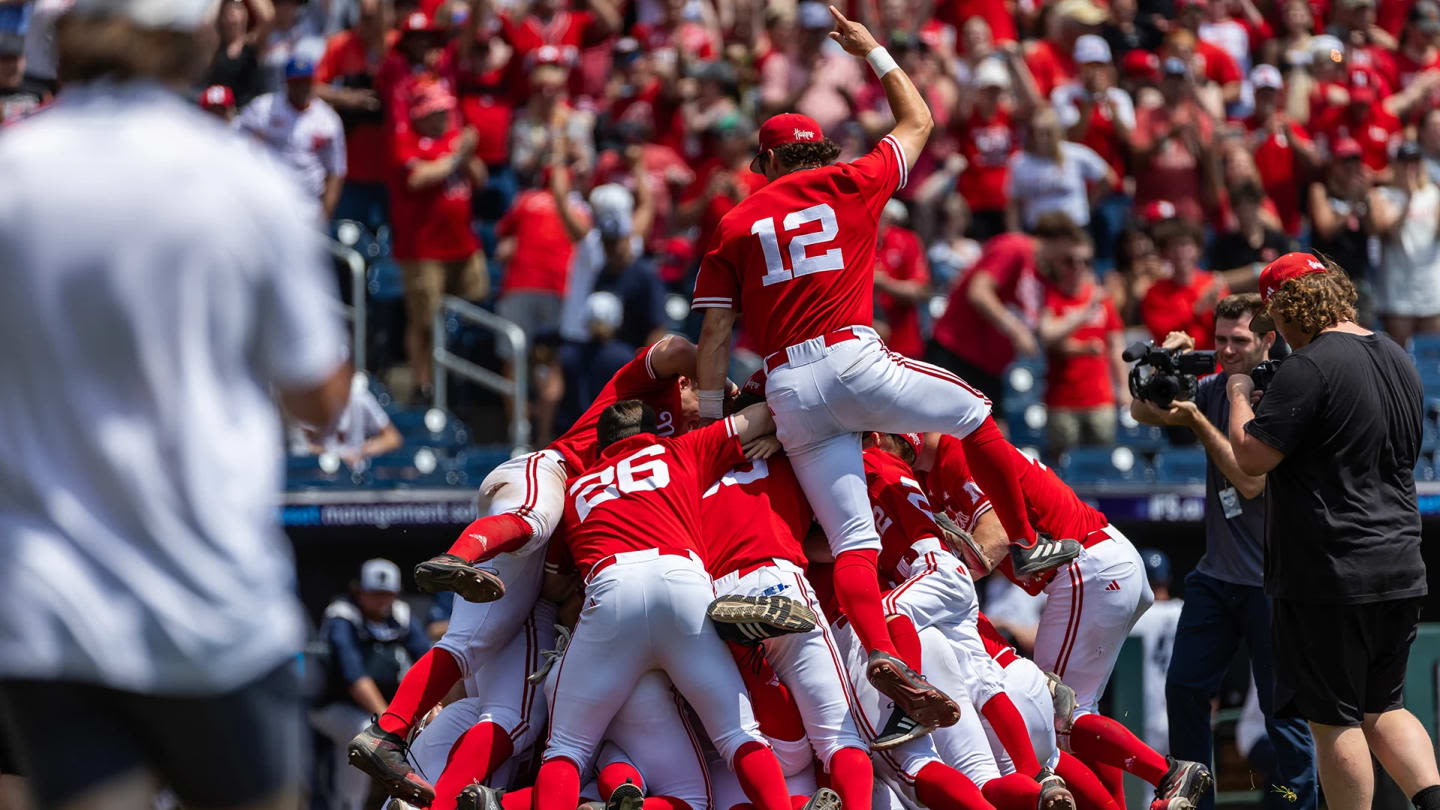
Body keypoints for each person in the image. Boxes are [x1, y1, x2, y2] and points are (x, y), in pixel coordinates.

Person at [692, 6, 1080, 735]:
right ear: (820, 151)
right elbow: (922, 121)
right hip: (850, 356)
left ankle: (880, 650)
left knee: (853, 544)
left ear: (770, 164)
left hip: (787, 389)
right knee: (977, 411)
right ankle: (1025, 542)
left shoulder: (737, 220)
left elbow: (716, 331)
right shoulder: (854, 179)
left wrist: (713, 416)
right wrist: (873, 50)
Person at [0, 3, 351, 809]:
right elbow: (322, 397)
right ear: (194, 38)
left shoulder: (11, 172)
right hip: (208, 601)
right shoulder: (239, 180)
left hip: (45, 610)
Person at [518, 399, 821, 810]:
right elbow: (768, 412)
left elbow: (554, 586)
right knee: (739, 735)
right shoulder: (680, 448)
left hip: (611, 588)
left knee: (567, 749)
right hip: (682, 584)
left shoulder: (576, 489)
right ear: (654, 431)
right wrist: (771, 437)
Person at [1228, 254, 1439, 810]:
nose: (1275, 332)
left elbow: (1250, 458)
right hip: (1399, 560)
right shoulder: (1397, 355)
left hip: (1331, 571)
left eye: (1273, 317)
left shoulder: (1312, 363)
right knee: (1384, 708)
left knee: (1334, 720)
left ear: (1290, 305)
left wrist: (1238, 395)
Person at [1131, 294, 1317, 810]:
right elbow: (1139, 409)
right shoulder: (1213, 387)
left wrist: (1198, 417)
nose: (1229, 351)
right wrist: (1162, 361)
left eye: (1240, 341)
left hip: (1274, 583)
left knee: (1284, 715)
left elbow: (1250, 479)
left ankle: (1291, 804)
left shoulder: (1282, 393)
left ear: (1266, 340)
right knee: (1185, 690)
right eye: (1220, 342)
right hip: (1218, 577)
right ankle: (1194, 800)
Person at [387, 81, 489, 396]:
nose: (444, 116)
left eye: (446, 110)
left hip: (463, 246)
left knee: (477, 309)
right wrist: (458, 156)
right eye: (437, 111)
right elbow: (417, 178)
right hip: (424, 250)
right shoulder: (406, 140)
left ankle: (459, 379)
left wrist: (467, 155)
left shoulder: (453, 141)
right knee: (424, 322)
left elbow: (481, 179)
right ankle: (422, 384)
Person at [928, 213, 1087, 408]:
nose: (1070, 267)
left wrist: (1083, 314)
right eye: (1069, 259)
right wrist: (1015, 328)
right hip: (957, 353)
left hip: (989, 368)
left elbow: (1045, 333)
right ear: (1061, 241)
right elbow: (978, 291)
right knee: (944, 435)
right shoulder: (1015, 247)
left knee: (997, 436)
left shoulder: (1042, 276)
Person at [312, 560, 432, 810]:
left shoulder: (399, 615)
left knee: (430, 727)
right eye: (374, 593)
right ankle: (348, 805)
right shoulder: (342, 616)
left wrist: (434, 705)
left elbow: (428, 661)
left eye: (386, 594)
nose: (381, 600)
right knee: (365, 733)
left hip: (382, 709)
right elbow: (354, 676)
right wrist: (389, 723)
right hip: (332, 706)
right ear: (358, 591)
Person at [1036, 229, 1128, 456]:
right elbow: (1047, 335)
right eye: (1070, 261)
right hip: (1062, 402)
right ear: (1058, 264)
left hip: (1100, 400)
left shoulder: (1102, 300)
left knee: (1102, 467)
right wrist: (1084, 314)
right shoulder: (1052, 297)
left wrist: (1124, 388)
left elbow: (1116, 346)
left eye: (1084, 261)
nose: (1077, 267)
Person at [237, 53, 348, 220]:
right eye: (296, 82)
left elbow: (336, 171)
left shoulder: (328, 120)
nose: (302, 87)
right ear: (286, 83)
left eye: (306, 81)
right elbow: (234, 143)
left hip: (306, 207)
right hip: (263, 201)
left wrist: (324, 216)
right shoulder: (263, 108)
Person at [1367, 140, 1440, 343]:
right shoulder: (1382, 195)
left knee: (1432, 359)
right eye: (1406, 162)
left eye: (1415, 161)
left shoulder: (1433, 194)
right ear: (1396, 165)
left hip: (1431, 290)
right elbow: (1385, 229)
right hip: (1397, 292)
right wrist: (1408, 198)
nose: (1411, 167)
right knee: (1400, 357)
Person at [1005, 105, 1115, 232]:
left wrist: (1089, 205)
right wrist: (1014, 232)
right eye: (1038, 132)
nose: (1043, 138)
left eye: (1048, 133)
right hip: (1038, 229)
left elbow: (1108, 178)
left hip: (1074, 227)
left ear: (1057, 132)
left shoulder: (1076, 154)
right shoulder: (1020, 161)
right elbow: (1013, 201)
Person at [1127, 550, 1184, 756]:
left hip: (1143, 710)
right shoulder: (1184, 611)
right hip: (1178, 709)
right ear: (1167, 578)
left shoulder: (1135, 617)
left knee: (1148, 783)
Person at [290, 374, 403, 467]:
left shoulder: (359, 396)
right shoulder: (309, 397)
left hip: (355, 474)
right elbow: (304, 445)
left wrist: (361, 450)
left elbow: (393, 438)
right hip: (315, 472)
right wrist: (341, 454)